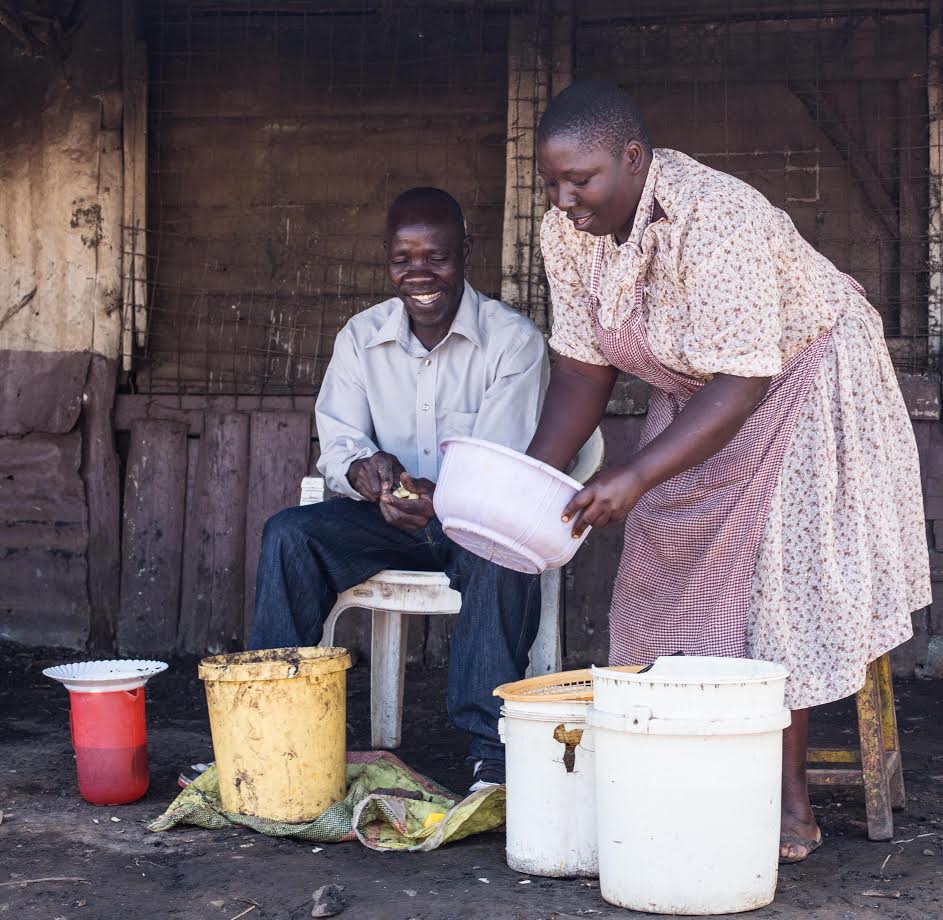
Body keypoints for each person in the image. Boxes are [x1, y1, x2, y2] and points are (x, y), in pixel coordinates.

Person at [526, 81, 930, 862]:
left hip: (807, 374)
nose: (564, 200)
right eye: (551, 182)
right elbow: (580, 369)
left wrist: (634, 475)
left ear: (632, 158)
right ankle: (678, 764)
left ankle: (786, 800)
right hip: (703, 390)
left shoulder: (718, 216)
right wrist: (534, 481)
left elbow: (744, 380)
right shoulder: (565, 233)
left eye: (580, 180)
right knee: (656, 546)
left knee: (772, 574)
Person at [248, 187, 549, 792]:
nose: (420, 275)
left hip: (474, 521)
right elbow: (339, 442)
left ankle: (491, 753)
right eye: (403, 259)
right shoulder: (360, 338)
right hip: (386, 519)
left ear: (466, 252)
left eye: (437, 257)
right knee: (288, 535)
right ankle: (269, 734)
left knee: (506, 556)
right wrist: (364, 470)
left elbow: (500, 462)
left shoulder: (513, 341)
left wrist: (446, 497)